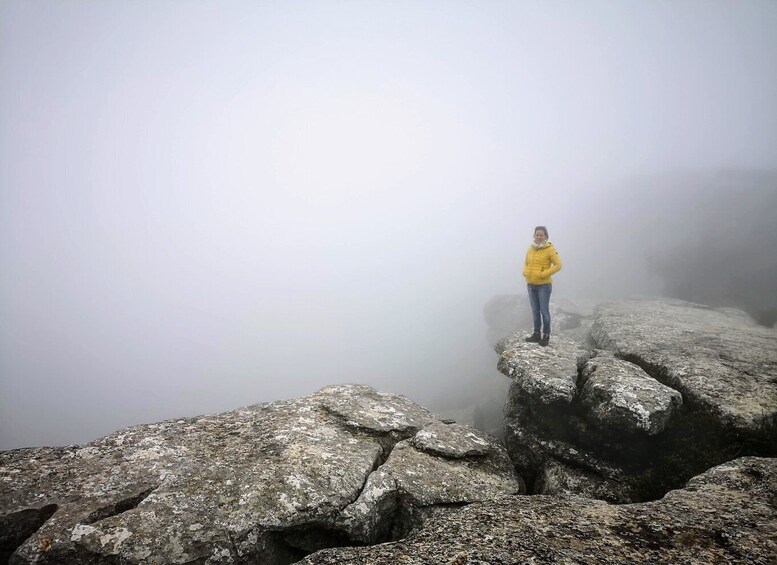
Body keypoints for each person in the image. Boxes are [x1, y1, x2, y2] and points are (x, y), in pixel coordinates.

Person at [523, 226, 562, 346]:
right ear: (534, 236)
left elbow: (558, 265)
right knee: (535, 311)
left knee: (544, 311)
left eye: (541, 235)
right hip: (531, 284)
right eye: (537, 235)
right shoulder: (531, 249)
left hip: (543, 286)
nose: (539, 237)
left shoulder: (550, 249)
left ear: (546, 236)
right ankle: (536, 334)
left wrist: (543, 274)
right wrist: (525, 272)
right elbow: (526, 263)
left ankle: (546, 335)